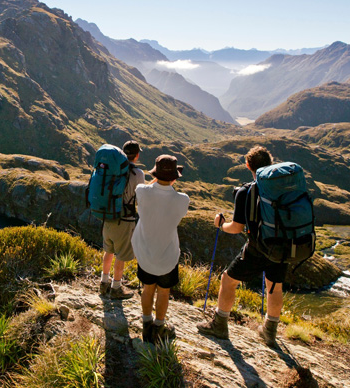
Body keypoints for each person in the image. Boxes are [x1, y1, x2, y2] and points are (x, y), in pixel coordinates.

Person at [196, 145, 284, 348]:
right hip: (282, 245)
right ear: (270, 163)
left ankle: (219, 324)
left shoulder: (246, 191)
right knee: (274, 285)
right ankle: (270, 332)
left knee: (228, 280)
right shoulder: (281, 188)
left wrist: (220, 225)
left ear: (247, 165)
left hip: (258, 247)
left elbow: (236, 228)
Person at [131, 154, 189, 344]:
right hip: (167, 255)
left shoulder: (142, 191)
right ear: (174, 177)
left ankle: (146, 323)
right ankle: (159, 326)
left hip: (145, 253)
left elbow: (148, 188)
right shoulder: (182, 199)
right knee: (164, 291)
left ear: (155, 174)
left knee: (148, 289)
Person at [99, 141, 146, 299]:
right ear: (137, 155)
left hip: (108, 216)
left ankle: (104, 283)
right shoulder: (138, 174)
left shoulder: (112, 169)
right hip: (125, 220)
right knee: (121, 254)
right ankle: (116, 288)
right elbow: (141, 198)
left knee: (109, 250)